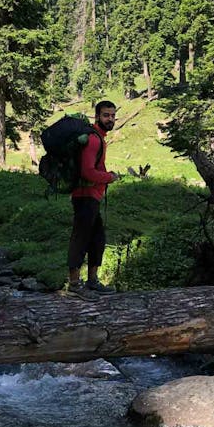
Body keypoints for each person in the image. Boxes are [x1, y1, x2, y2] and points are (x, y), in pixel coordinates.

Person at [66, 100, 122, 295]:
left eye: (113, 116)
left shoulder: (99, 137)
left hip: (93, 196)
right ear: (97, 116)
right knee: (81, 238)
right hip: (84, 196)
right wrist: (110, 177)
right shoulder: (94, 140)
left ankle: (92, 281)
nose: (110, 119)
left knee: (97, 238)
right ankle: (74, 285)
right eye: (106, 115)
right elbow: (87, 172)